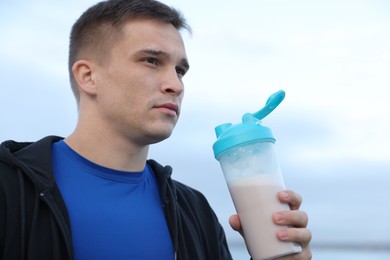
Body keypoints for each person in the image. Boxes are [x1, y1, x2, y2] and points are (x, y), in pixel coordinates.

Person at [0, 0, 312, 259]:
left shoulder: (194, 211)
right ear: (88, 76)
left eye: (180, 70)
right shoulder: (10, 189)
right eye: (151, 60)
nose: (175, 85)